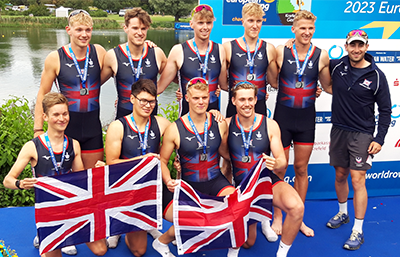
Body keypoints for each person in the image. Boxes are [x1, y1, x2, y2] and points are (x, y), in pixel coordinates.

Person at [32, 10, 106, 255]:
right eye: (79, 30)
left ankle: (76, 228)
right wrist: (38, 128)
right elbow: (43, 94)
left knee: (89, 183)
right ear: (69, 31)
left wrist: (144, 42)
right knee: (60, 183)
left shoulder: (100, 52)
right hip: (67, 130)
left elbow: (120, 64)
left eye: (88, 30)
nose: (84, 34)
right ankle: (48, 228)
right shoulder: (55, 58)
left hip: (93, 129)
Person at [3, 92, 108, 257]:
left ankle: (67, 234)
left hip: (72, 205)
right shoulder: (32, 147)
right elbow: (7, 180)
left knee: (101, 249)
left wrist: (97, 172)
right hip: (49, 211)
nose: (62, 118)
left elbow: (81, 179)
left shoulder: (74, 145)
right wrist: (20, 184)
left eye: (65, 114)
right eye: (56, 114)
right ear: (45, 117)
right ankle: (45, 237)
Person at [152, 77, 235, 257]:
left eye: (204, 97)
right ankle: (161, 242)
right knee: (194, 220)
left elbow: (226, 155)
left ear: (209, 97)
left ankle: (232, 251)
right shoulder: (174, 129)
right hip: (189, 186)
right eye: (196, 98)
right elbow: (162, 161)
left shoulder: (219, 123)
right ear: (186, 98)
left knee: (235, 207)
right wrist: (168, 181)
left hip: (214, 181)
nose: (201, 102)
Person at [220, 81, 304, 257]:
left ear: (256, 99)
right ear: (233, 101)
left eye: (250, 99)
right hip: (239, 185)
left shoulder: (270, 124)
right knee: (249, 243)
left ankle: (281, 253)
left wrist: (276, 163)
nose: (247, 104)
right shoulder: (226, 125)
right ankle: (253, 222)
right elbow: (220, 153)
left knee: (297, 207)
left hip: (265, 182)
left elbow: (281, 160)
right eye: (242, 99)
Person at [326, 29, 391, 250]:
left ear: (366, 47)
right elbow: (314, 57)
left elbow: (385, 111)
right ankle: (343, 213)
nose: (356, 49)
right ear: (346, 46)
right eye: (352, 45)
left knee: (358, 179)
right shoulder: (336, 66)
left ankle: (358, 230)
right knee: (340, 174)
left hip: (362, 134)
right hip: (338, 131)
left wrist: (379, 139)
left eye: (360, 45)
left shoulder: (377, 76)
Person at [271, 10, 331, 237]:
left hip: (306, 119)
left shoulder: (322, 56)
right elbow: (273, 82)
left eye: (310, 28)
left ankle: (299, 217)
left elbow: (327, 87)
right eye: (302, 28)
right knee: (279, 168)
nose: (307, 32)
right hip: (283, 118)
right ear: (293, 29)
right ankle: (277, 215)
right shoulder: (280, 51)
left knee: (301, 169)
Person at [105, 79, 170, 254]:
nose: (147, 105)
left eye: (151, 101)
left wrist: (214, 114)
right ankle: (120, 224)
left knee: (181, 214)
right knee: (139, 251)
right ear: (132, 99)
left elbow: (185, 134)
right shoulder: (118, 127)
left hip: (151, 189)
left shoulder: (161, 123)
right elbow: (111, 163)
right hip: (127, 189)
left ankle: (147, 224)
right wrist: (143, 159)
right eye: (143, 100)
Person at [156, 4, 228, 116]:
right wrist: (130, 97)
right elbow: (159, 87)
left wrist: (257, 90)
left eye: (208, 23)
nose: (205, 27)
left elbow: (224, 85)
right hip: (186, 118)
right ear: (191, 24)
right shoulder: (179, 51)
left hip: (213, 117)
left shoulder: (220, 50)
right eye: (200, 23)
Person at [101, 7, 167, 119]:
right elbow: (94, 83)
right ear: (125, 28)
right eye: (135, 28)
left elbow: (175, 77)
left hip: (150, 118)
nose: (140, 33)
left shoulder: (157, 53)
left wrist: (182, 90)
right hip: (123, 118)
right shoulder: (113, 56)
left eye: (143, 28)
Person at [222, 3, 278, 117]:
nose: (255, 25)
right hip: (235, 110)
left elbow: (274, 82)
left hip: (259, 109)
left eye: (258, 21)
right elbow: (222, 84)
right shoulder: (228, 47)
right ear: (243, 22)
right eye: (251, 21)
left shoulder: (269, 49)